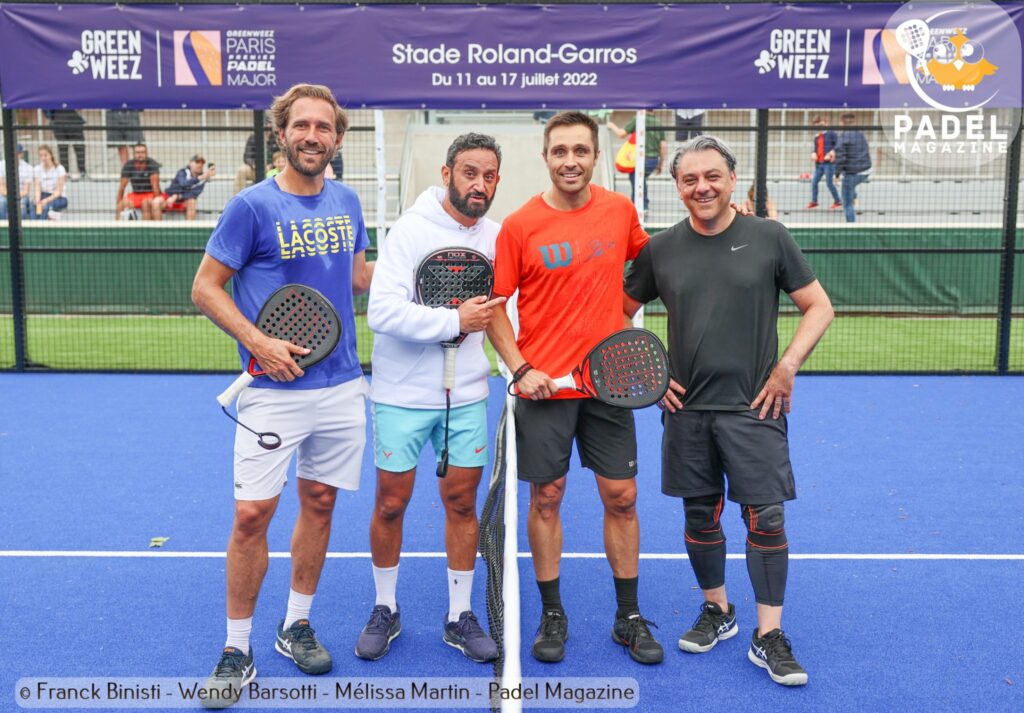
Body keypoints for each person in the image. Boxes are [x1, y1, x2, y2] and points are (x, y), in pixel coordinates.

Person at [623, 136, 834, 687]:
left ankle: (769, 636)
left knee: (766, 518)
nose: (702, 188)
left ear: (731, 179)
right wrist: (650, 375)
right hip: (687, 413)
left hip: (754, 407)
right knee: (700, 516)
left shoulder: (769, 237)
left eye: (712, 176)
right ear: (677, 187)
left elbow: (819, 307)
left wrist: (787, 366)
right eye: (690, 180)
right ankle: (718, 610)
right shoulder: (660, 249)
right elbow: (620, 315)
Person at [192, 83, 374, 708]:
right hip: (273, 389)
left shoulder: (349, 202)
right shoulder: (250, 206)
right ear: (282, 133)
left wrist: (429, 271)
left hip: (344, 387)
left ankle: (295, 623)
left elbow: (358, 278)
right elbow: (206, 288)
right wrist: (259, 342)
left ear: (337, 138)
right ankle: (235, 649)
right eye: (302, 125)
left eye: (324, 127)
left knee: (319, 503)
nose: (312, 135)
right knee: (251, 517)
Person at [486, 111, 664, 666]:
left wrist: (623, 313)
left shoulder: (619, 212)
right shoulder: (518, 226)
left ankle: (628, 617)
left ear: (595, 157)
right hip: (545, 391)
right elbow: (494, 312)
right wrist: (519, 369)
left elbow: (656, 265)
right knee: (547, 497)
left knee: (623, 497)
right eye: (560, 151)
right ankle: (553, 613)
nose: (570, 161)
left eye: (581, 151)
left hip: (610, 387)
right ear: (545, 157)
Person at [357, 133, 506, 664]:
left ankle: (458, 615)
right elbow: (383, 313)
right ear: (447, 174)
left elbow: (507, 314)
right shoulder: (409, 232)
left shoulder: (498, 237)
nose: (479, 184)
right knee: (391, 504)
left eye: (489, 175)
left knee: (462, 504)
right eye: (469, 173)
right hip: (400, 397)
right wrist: (453, 320)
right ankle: (385, 607)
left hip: (466, 396)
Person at [607, 110, 667, 211]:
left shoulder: (638, 119)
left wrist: (612, 126)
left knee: (637, 181)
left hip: (640, 160)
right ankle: (643, 204)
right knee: (641, 180)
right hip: (653, 160)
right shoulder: (658, 123)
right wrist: (661, 163)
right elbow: (663, 146)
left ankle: (640, 207)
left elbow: (621, 134)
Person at [151, 154, 216, 220]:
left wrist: (178, 196)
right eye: (197, 162)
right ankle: (159, 229)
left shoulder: (202, 179)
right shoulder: (183, 172)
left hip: (183, 200)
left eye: (202, 163)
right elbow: (183, 184)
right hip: (169, 197)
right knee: (156, 202)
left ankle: (189, 229)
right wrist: (200, 178)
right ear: (190, 163)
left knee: (192, 202)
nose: (200, 165)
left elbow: (194, 193)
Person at [834, 113, 872, 223]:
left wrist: (836, 174)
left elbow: (840, 159)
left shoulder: (843, 137)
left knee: (847, 204)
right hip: (866, 171)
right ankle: (854, 196)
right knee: (850, 182)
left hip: (853, 173)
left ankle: (851, 226)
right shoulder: (860, 134)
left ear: (841, 123)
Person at [116, 143, 160, 220]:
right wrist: (118, 203)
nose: (140, 155)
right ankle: (117, 229)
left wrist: (156, 203)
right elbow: (122, 187)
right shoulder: (128, 165)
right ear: (133, 154)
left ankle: (146, 230)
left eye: (142, 152)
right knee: (121, 205)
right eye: (137, 153)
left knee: (145, 204)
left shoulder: (152, 164)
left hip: (150, 194)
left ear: (146, 153)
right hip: (135, 194)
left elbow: (155, 186)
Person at [806, 115, 841, 210]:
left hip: (829, 164)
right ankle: (814, 201)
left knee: (829, 183)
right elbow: (816, 148)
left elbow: (838, 145)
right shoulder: (817, 137)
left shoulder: (832, 134)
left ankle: (838, 201)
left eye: (821, 124)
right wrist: (813, 153)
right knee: (814, 182)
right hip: (819, 164)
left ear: (826, 123)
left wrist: (832, 152)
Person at [235, 127, 278, 194]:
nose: (267, 131)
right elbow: (247, 156)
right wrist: (253, 164)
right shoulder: (253, 138)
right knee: (241, 170)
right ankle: (238, 198)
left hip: (272, 168)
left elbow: (279, 155)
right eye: (265, 127)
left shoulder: (276, 137)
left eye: (269, 129)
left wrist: (272, 165)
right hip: (255, 168)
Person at [30, 145, 68, 220]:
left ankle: (42, 228)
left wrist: (46, 200)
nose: (43, 158)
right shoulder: (37, 169)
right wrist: (37, 199)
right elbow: (37, 188)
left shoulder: (60, 169)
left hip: (59, 198)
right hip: (43, 195)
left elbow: (58, 191)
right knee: (34, 206)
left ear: (51, 155)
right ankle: (33, 228)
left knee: (45, 207)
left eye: (45, 155)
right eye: (41, 156)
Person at [47, 109, 87, 178]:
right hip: (70, 120)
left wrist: (51, 117)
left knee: (63, 149)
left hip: (59, 120)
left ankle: (65, 173)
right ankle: (81, 172)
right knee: (78, 148)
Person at [0, 144, 34, 220]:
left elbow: (25, 191)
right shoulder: (1, 165)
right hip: (5, 195)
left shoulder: (28, 168)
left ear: (21, 154)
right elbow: (2, 188)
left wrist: (16, 196)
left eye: (17, 153)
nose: (14, 156)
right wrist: (9, 196)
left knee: (22, 207)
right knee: (1, 203)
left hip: (21, 196)